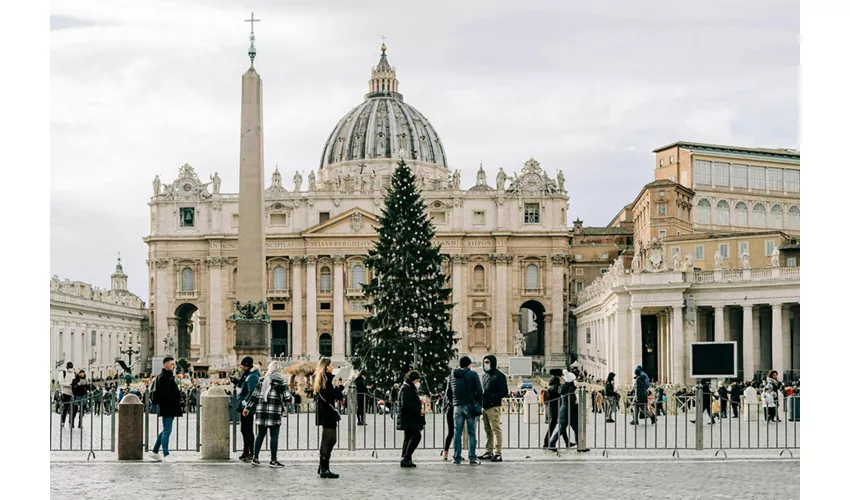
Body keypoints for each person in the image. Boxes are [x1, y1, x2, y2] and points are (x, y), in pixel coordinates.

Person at [243, 361, 289, 468]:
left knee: (260, 435)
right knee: (274, 436)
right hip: (274, 411)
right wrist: (288, 399)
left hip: (261, 411)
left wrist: (247, 408)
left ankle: (255, 458)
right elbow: (287, 398)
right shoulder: (282, 381)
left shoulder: (262, 380)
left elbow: (254, 395)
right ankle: (273, 460)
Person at [449, 356, 483, 465]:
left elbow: (448, 392)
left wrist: (454, 402)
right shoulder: (473, 374)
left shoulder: (452, 375)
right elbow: (479, 390)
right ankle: (472, 457)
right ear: (469, 364)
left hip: (457, 406)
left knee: (457, 433)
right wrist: (478, 404)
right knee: (472, 433)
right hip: (470, 405)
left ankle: (456, 457)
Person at [149, 356, 183, 462]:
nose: (174, 366)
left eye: (174, 364)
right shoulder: (164, 377)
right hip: (168, 406)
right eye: (172, 364)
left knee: (165, 430)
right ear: (165, 364)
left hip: (169, 406)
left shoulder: (168, 376)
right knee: (167, 430)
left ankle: (154, 452)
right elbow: (166, 394)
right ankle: (166, 454)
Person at [314, 358, 341, 479]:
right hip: (327, 413)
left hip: (329, 413)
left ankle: (322, 466)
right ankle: (324, 468)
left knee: (333, 439)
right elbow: (332, 395)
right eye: (331, 364)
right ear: (326, 367)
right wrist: (339, 389)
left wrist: (339, 389)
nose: (333, 366)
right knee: (327, 440)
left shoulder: (327, 379)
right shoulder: (324, 380)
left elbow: (336, 395)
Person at [481, 355, 508, 462]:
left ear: (492, 363)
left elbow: (504, 391)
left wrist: (492, 398)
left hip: (494, 406)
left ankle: (498, 453)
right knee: (487, 430)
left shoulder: (500, 376)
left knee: (496, 430)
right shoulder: (484, 376)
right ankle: (489, 451)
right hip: (485, 406)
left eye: (487, 362)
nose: (485, 364)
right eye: (484, 362)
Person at [397, 370, 426, 468]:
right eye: (417, 380)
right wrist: (418, 411)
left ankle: (405, 458)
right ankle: (406, 457)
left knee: (408, 438)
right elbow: (406, 405)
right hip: (409, 418)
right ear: (413, 380)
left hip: (407, 418)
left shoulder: (407, 387)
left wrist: (418, 402)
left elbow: (409, 401)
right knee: (416, 436)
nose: (418, 383)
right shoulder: (406, 388)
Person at [235, 356, 260, 462]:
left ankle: (250, 452)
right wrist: (235, 381)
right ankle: (246, 451)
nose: (240, 367)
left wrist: (246, 404)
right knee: (244, 429)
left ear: (246, 366)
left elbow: (251, 392)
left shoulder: (253, 376)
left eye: (242, 365)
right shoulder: (249, 374)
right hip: (244, 406)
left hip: (247, 407)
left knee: (247, 429)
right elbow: (244, 387)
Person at [548, 371, 579, 449]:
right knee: (572, 429)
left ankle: (552, 443)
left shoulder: (564, 387)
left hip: (565, 410)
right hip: (569, 411)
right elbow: (571, 402)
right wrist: (577, 406)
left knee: (564, 429)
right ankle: (552, 443)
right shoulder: (570, 389)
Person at [543, 369, 563, 444]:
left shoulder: (551, 385)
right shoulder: (556, 386)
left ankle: (567, 441)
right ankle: (546, 441)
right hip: (556, 407)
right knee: (555, 425)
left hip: (553, 406)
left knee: (561, 424)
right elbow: (560, 392)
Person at [441, 374, 455, 461]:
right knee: (455, 432)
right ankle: (456, 453)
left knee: (451, 432)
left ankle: (445, 452)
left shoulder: (449, 387)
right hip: (454, 408)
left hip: (450, 409)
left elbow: (447, 395)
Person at [58, 362, 75, 427]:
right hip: (65, 393)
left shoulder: (74, 373)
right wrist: (69, 384)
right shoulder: (63, 373)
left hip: (72, 393)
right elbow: (61, 383)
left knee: (72, 409)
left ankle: (70, 422)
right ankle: (63, 421)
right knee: (65, 408)